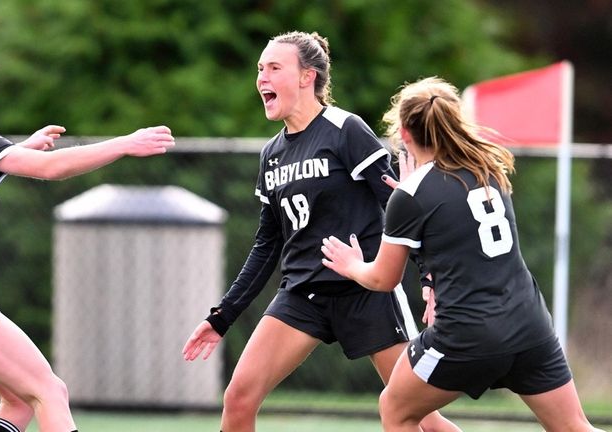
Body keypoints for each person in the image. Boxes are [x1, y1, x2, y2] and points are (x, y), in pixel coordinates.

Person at [181, 31, 459, 432]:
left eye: (274, 68)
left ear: (306, 77)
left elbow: (400, 209)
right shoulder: (271, 154)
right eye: (260, 68)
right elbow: (266, 244)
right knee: (238, 400)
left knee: (420, 416)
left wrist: (430, 278)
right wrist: (223, 315)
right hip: (303, 295)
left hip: (365, 291)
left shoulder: (345, 129)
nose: (262, 77)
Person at [0, 39, 175, 432]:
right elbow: (51, 168)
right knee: (49, 391)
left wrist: (20, 150)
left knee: (20, 399)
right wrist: (126, 143)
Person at [321, 76, 604, 432]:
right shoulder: (488, 169)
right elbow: (457, 234)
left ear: (404, 134)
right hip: (529, 325)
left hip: (467, 335)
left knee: (395, 409)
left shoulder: (411, 194)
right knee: (574, 426)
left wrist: (352, 265)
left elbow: (382, 278)